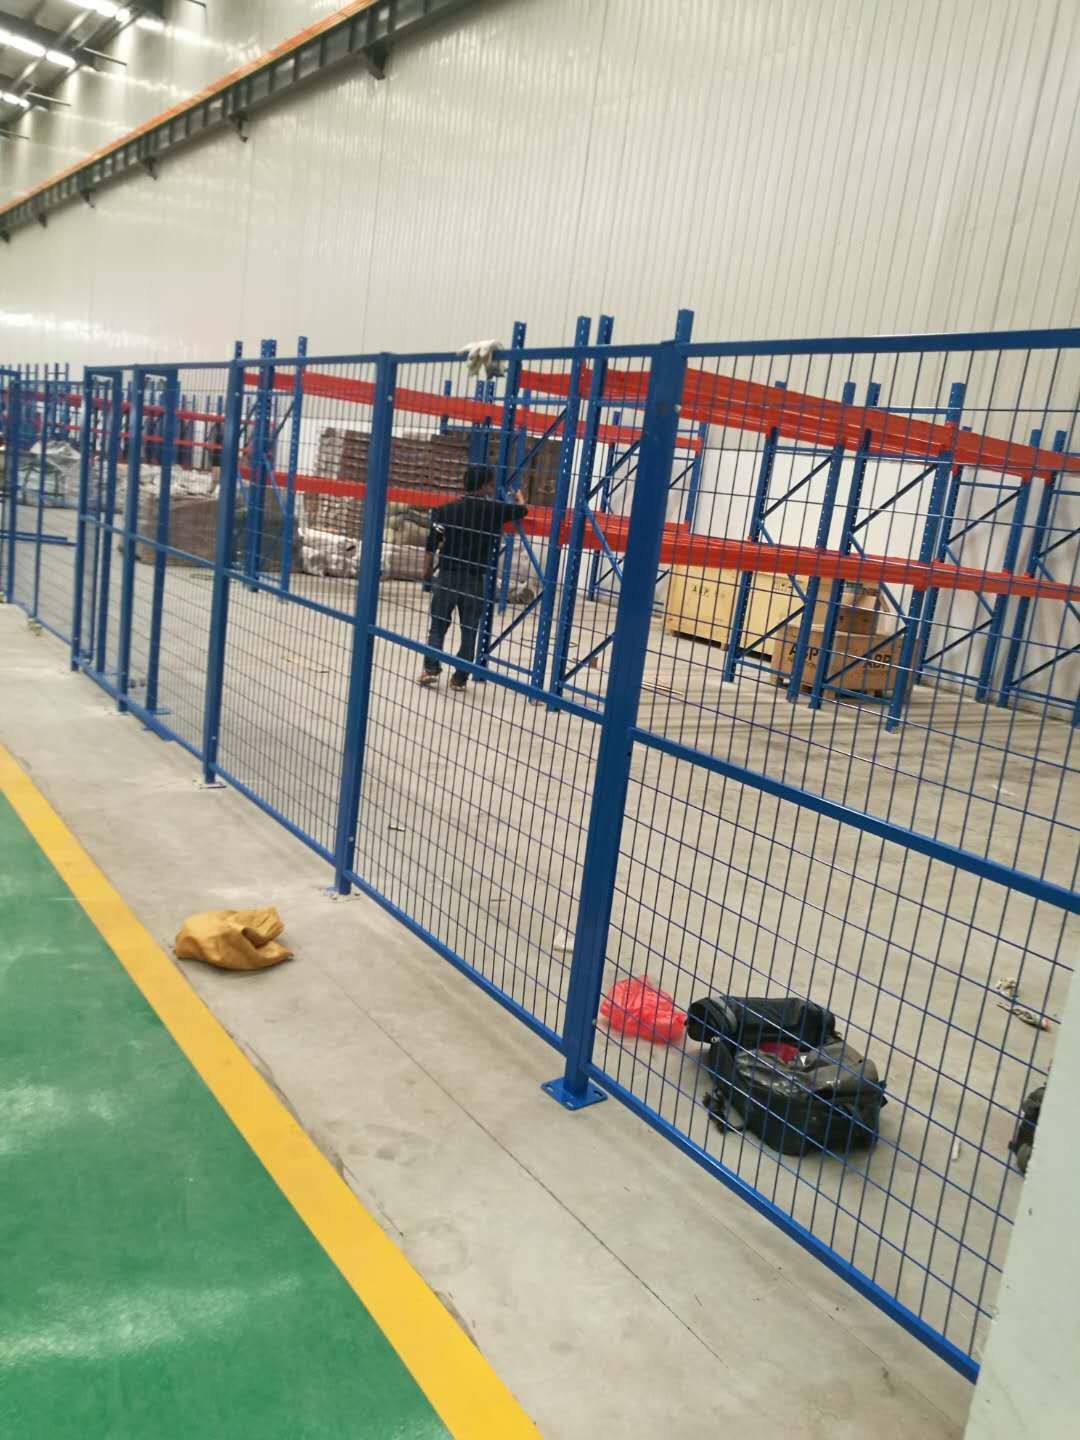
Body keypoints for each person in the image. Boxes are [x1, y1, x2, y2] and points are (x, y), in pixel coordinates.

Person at [419, 464, 528, 690]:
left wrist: (427, 571)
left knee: (438, 626)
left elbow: (432, 542)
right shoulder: (494, 510)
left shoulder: (446, 510)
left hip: (447, 576)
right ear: (486, 485)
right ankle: (460, 678)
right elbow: (521, 510)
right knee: (469, 631)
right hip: (475, 578)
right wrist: (518, 497)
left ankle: (430, 669)